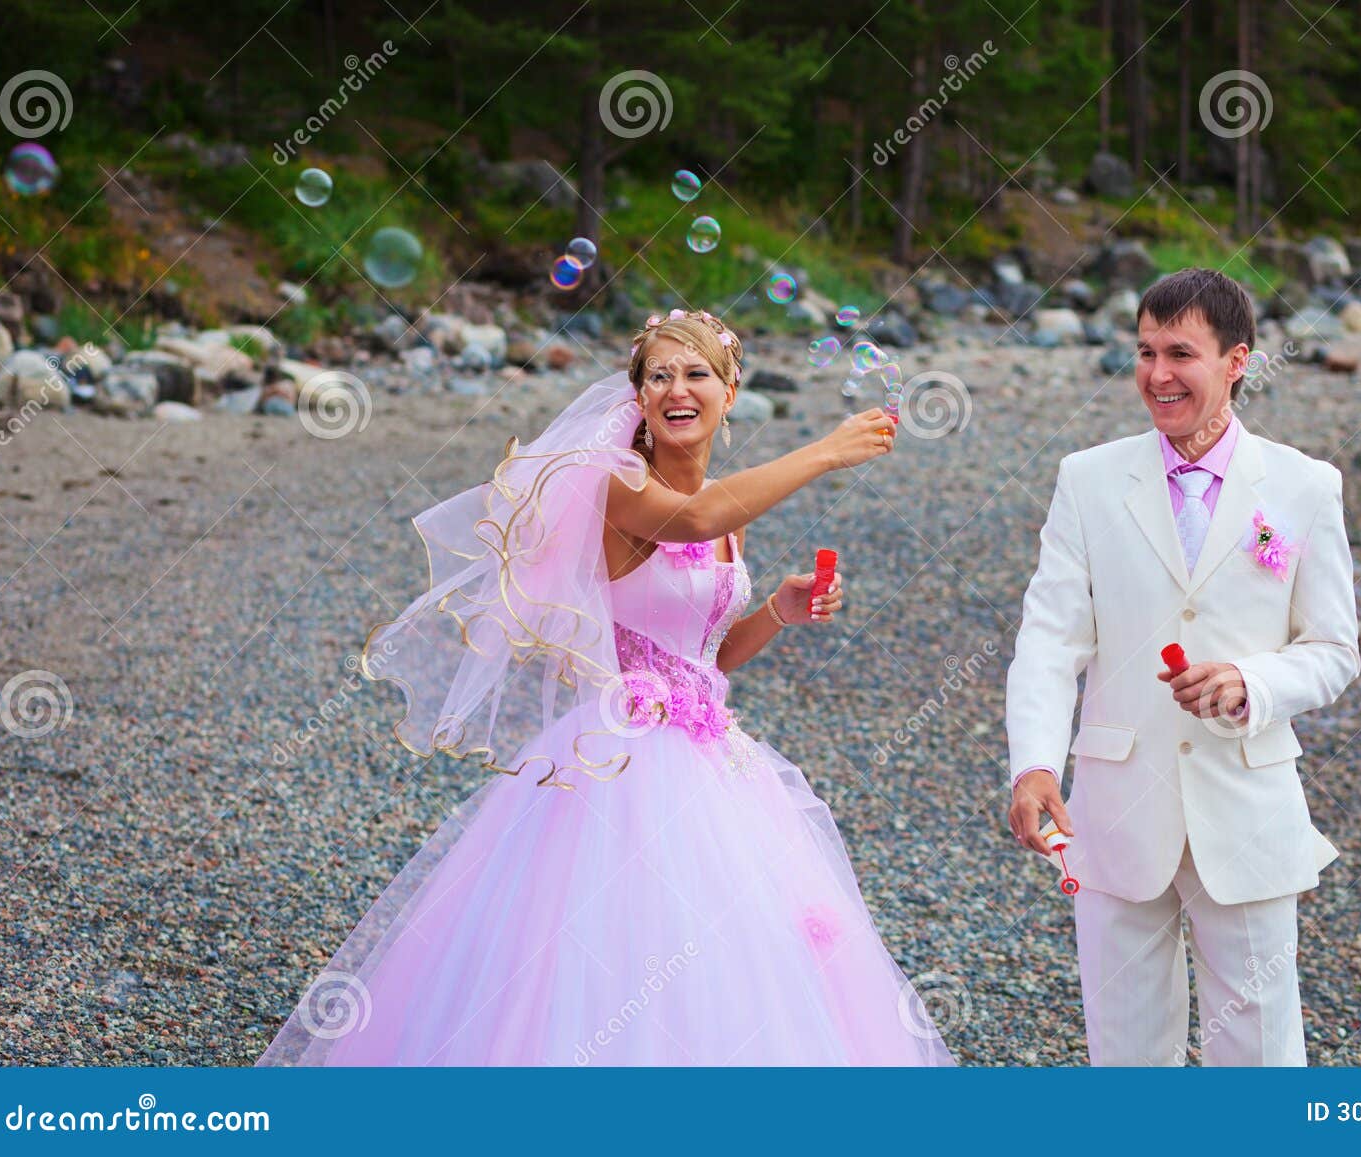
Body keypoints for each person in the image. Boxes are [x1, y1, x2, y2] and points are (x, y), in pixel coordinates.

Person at [257, 307, 954, 1066]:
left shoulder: (730, 513)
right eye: (659, 375)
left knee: (735, 953)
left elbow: (704, 661)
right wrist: (825, 451)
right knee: (612, 947)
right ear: (639, 396)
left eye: (696, 374)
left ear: (730, 390)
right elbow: (693, 516)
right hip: (618, 761)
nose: (676, 389)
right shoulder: (621, 485)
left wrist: (778, 613)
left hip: (712, 761)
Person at [1005, 268, 1360, 1066]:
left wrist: (1252, 682)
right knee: (1126, 1058)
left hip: (1249, 808)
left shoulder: (1304, 487)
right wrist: (1032, 762)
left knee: (1262, 1056)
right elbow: (1050, 641)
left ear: (1238, 360)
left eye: (1181, 354)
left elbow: (1335, 650)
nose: (1157, 375)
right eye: (1144, 352)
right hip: (1116, 810)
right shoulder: (1087, 480)